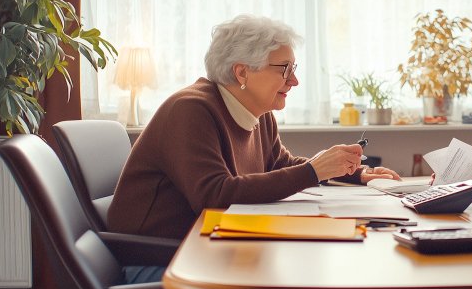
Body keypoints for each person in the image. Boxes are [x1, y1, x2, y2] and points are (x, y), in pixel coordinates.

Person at [108, 14, 401, 243]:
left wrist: (353, 172)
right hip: (159, 256)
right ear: (242, 71)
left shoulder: (259, 114)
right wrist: (315, 170)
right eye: (285, 69)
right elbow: (214, 194)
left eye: (294, 69)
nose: (294, 81)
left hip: (208, 243)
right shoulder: (190, 110)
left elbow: (281, 166)